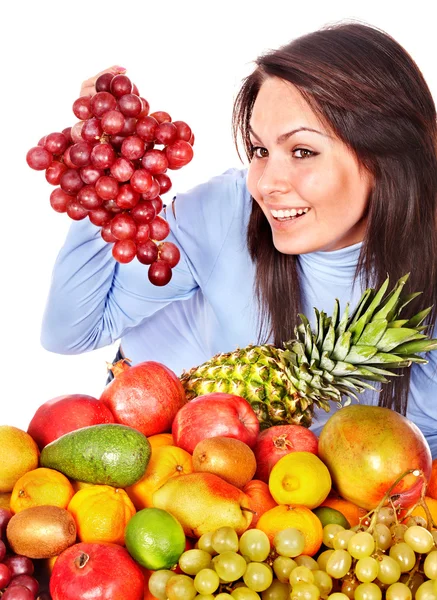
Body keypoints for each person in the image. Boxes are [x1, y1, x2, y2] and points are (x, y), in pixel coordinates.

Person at [40, 21, 437, 456]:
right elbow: (72, 332)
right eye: (260, 151)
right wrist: (105, 185)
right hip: (146, 465)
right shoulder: (229, 211)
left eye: (302, 152)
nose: (266, 184)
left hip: (279, 500)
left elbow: (419, 453)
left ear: (388, 156)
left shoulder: (426, 272)